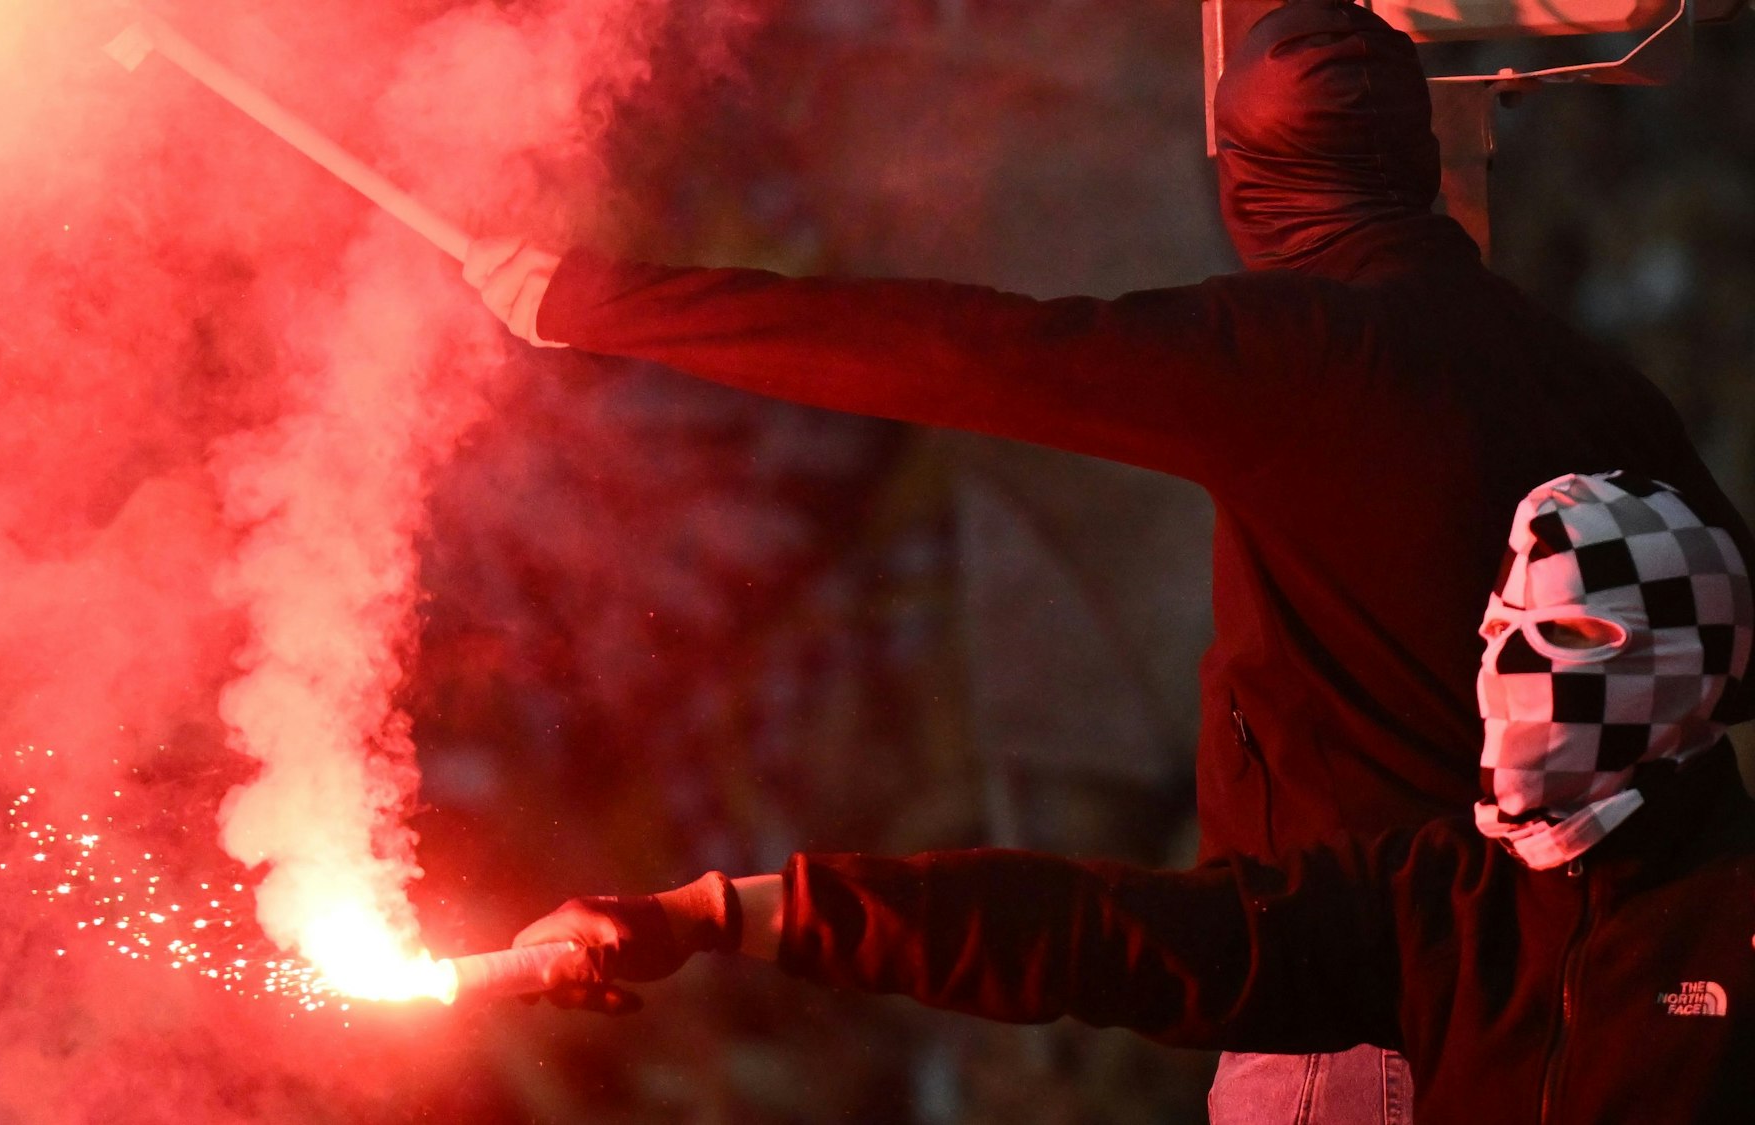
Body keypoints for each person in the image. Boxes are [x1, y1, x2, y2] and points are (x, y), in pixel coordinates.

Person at [461, 0, 1755, 1117]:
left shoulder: (1291, 357)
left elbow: (957, 351)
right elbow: (1728, 639)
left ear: (1247, 176)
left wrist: (593, 302)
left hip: (1354, 1011)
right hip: (1518, 960)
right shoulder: (1593, 385)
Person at [512, 472, 1755, 1125]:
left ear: (1687, 675)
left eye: (1572, 635)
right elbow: (1110, 935)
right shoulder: (1442, 899)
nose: (1513, 674)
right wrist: (720, 912)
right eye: (1499, 633)